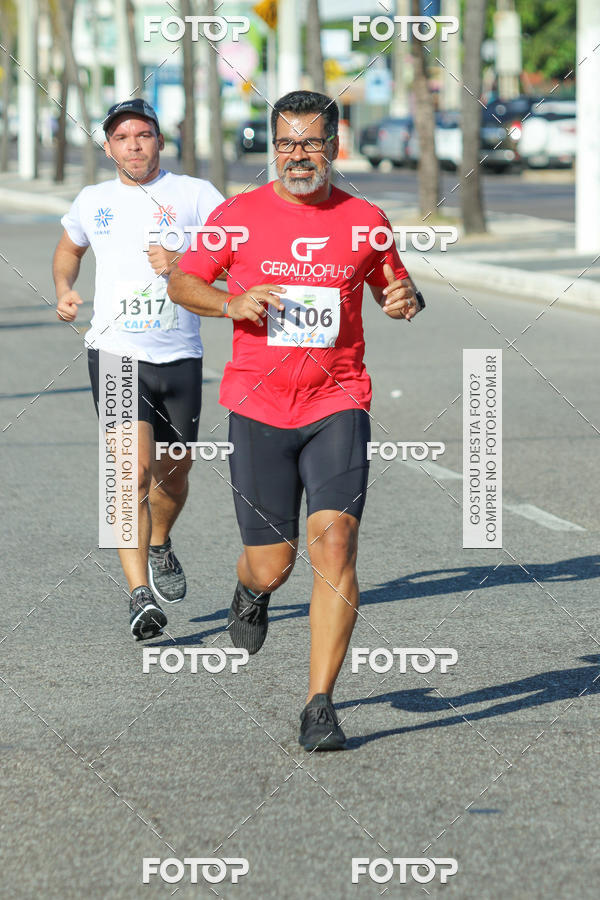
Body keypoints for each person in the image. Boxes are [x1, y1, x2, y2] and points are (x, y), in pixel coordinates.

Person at [167, 90, 425, 750]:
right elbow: (184, 283)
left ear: (334, 146)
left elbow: (394, 286)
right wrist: (232, 302)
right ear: (273, 148)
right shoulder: (239, 214)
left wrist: (404, 297)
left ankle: (319, 704)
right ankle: (250, 592)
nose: (297, 156)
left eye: (310, 143)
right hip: (258, 409)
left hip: (338, 402)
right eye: (286, 143)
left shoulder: (365, 218)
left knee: (335, 545)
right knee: (273, 565)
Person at [52, 99, 224, 640]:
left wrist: (182, 264)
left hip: (180, 355)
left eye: (143, 135)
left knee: (173, 476)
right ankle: (138, 596)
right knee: (131, 474)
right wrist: (64, 288)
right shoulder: (92, 199)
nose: (134, 145)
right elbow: (68, 249)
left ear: (159, 141)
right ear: (108, 147)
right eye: (122, 137)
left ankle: (160, 543)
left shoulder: (195, 195)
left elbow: (236, 254)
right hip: (116, 352)